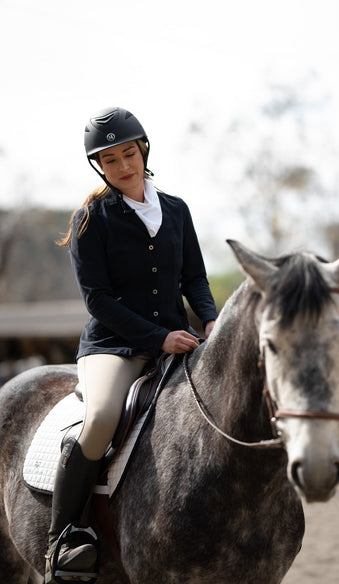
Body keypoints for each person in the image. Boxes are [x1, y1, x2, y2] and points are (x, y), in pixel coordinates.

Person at [45, 106, 218, 581]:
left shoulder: (177, 210)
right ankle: (63, 539)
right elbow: (98, 300)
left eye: (129, 153)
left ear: (143, 149)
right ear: (99, 166)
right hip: (114, 347)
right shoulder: (90, 219)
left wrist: (211, 321)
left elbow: (195, 278)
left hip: (179, 339)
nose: (124, 166)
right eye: (111, 159)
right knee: (101, 418)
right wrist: (159, 337)